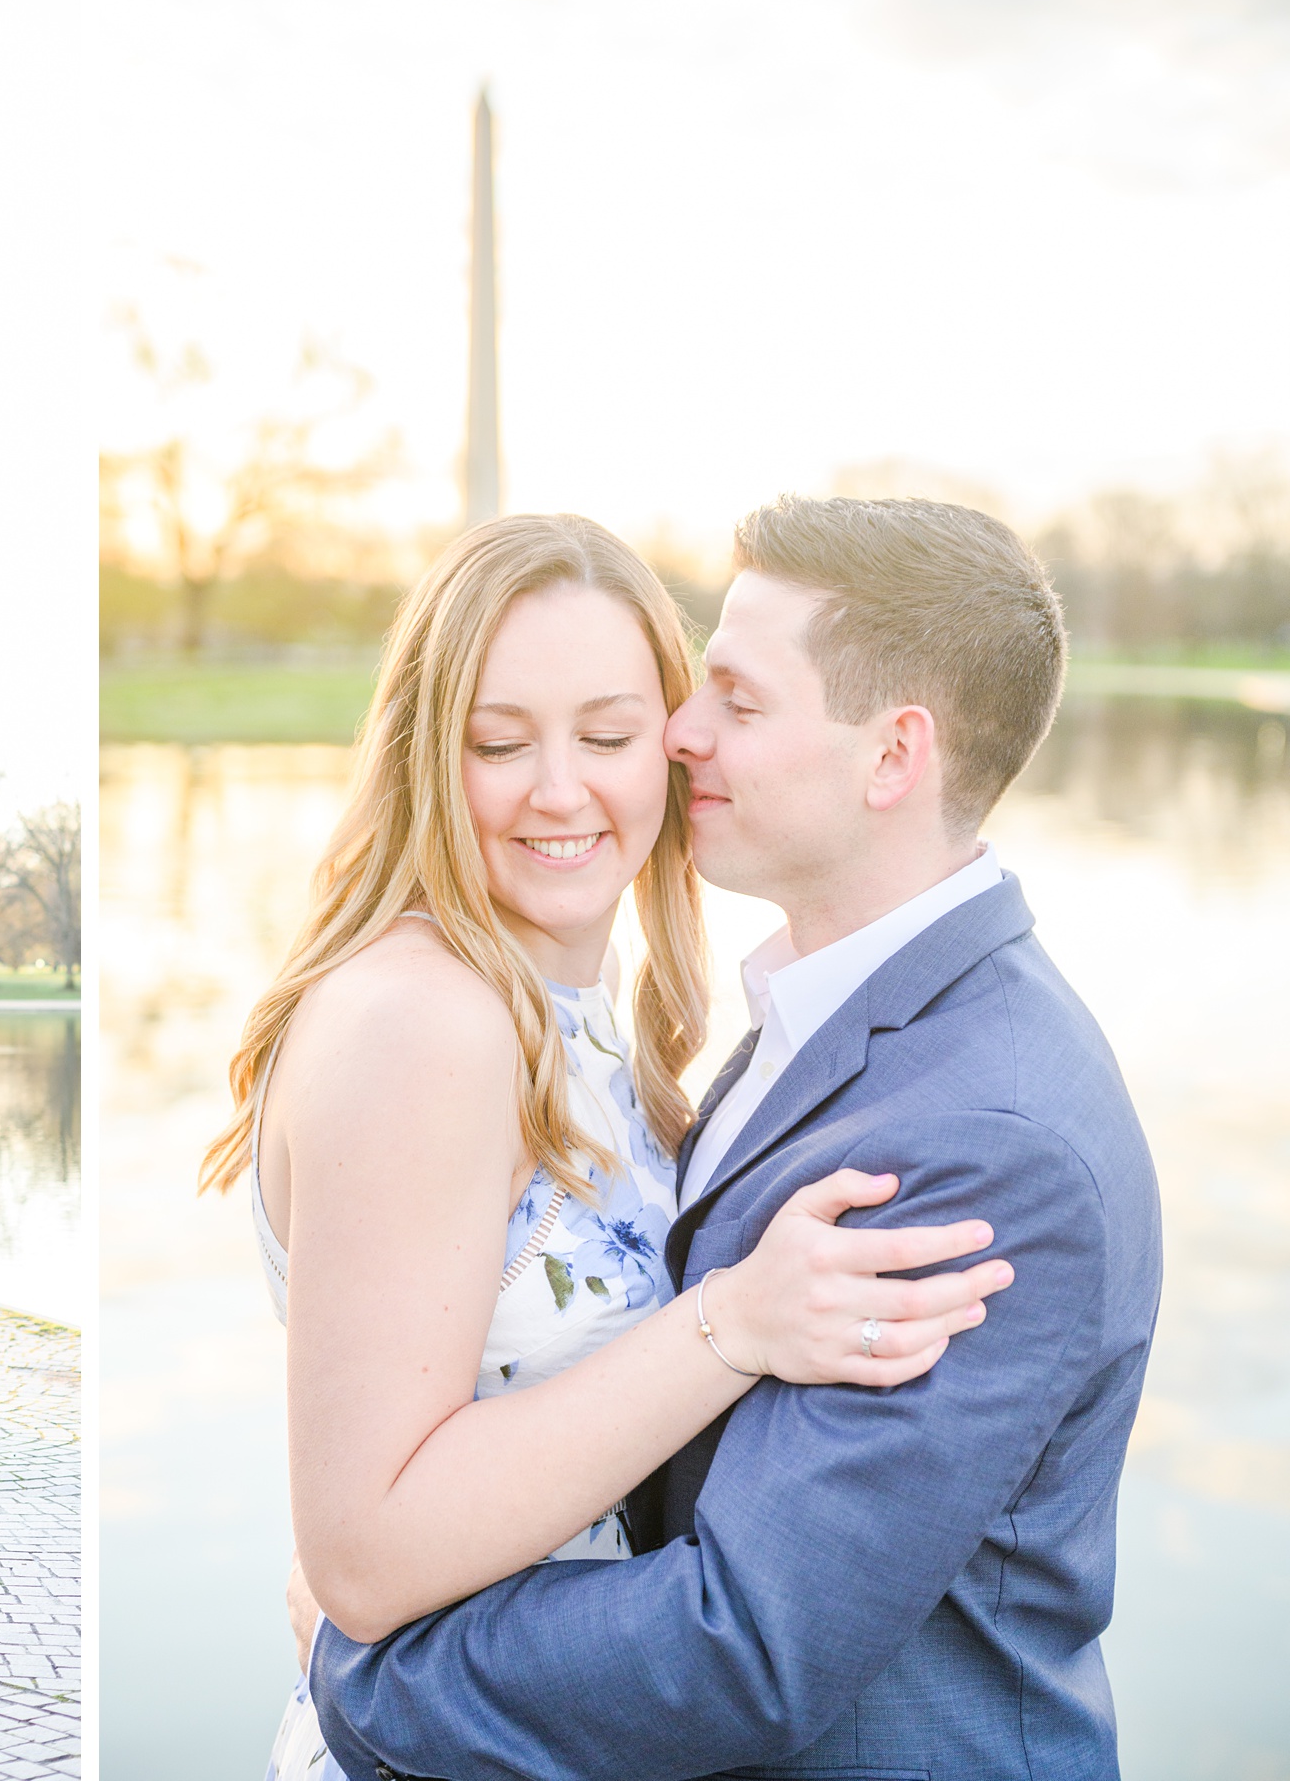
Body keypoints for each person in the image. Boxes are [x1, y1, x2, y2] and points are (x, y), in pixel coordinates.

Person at [303, 499, 1161, 1780]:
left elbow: (743, 1645)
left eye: (735, 704)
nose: (679, 736)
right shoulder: (804, 1013)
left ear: (891, 757)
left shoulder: (989, 1136)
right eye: (500, 740)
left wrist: (370, 1672)